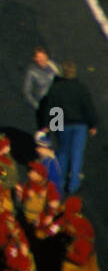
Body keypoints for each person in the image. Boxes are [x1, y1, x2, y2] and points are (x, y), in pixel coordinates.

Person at [39, 61, 99, 195]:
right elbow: (88, 107)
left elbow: (52, 107)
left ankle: (58, 183)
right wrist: (93, 124)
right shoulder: (81, 88)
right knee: (77, 154)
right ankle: (73, 185)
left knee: (63, 152)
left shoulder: (56, 88)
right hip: (80, 125)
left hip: (63, 123)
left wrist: (50, 126)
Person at [22, 46, 60, 128]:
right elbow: (26, 91)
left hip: (56, 106)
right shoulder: (32, 71)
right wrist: (36, 105)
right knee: (44, 133)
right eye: (38, 58)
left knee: (58, 130)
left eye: (42, 57)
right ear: (34, 59)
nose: (40, 60)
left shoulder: (54, 67)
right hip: (43, 107)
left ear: (46, 56)